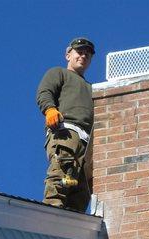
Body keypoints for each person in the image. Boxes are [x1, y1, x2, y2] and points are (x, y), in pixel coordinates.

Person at [36, 37, 95, 209]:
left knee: (82, 187)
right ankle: (52, 211)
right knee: (62, 173)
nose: (83, 56)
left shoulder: (92, 89)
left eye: (88, 54)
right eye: (80, 52)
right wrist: (49, 109)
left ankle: (72, 223)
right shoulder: (59, 73)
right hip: (67, 132)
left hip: (89, 141)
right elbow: (44, 92)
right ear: (68, 55)